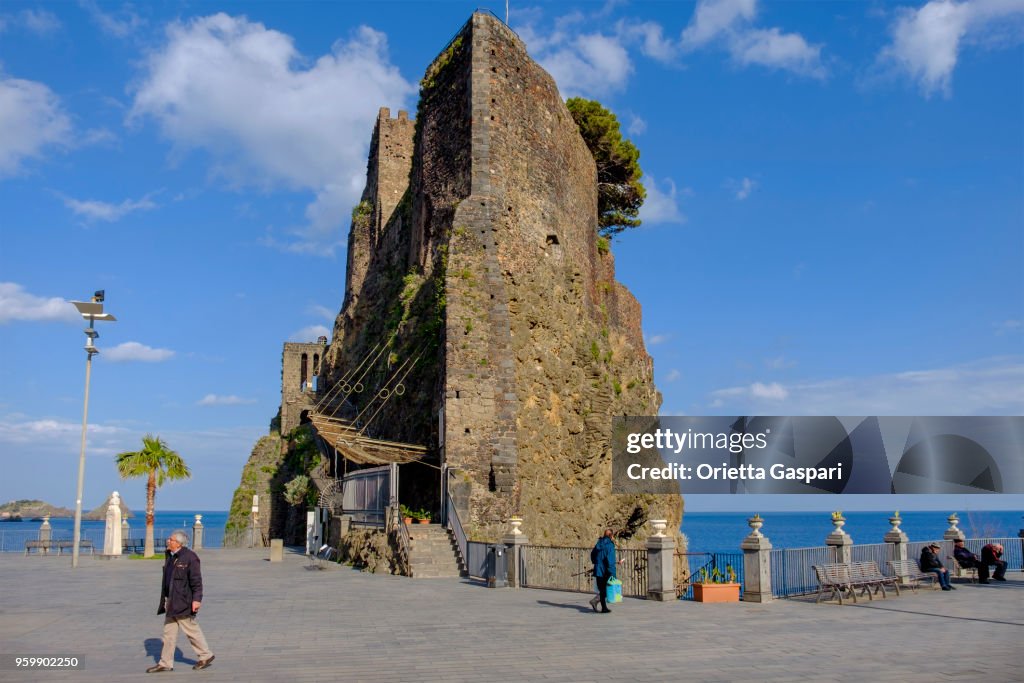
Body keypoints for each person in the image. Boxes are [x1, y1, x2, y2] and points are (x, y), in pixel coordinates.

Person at [147, 530, 215, 673]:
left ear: (178, 543)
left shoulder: (190, 557)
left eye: (170, 540)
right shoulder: (171, 556)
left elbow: (196, 581)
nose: (168, 541)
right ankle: (165, 663)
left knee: (191, 630)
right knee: (168, 634)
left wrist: (197, 600)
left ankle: (205, 655)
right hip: (171, 601)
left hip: (183, 601)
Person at [589, 528, 616, 614]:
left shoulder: (599, 543)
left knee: (602, 589)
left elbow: (592, 554)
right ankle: (595, 601)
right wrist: (613, 573)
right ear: (611, 535)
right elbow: (610, 560)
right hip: (606, 570)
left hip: (598, 569)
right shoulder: (610, 545)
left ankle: (604, 607)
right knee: (608, 589)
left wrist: (596, 563)